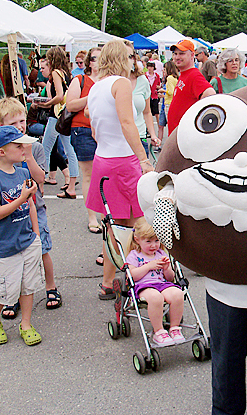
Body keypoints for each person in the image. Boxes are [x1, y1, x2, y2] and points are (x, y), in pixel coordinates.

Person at [85, 39, 154, 300]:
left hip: (104, 158)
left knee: (114, 225)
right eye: (129, 56)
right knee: (133, 223)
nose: (132, 60)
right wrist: (143, 158)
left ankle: (108, 282)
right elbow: (127, 122)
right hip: (123, 161)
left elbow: (94, 128)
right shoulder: (121, 83)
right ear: (120, 59)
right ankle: (134, 276)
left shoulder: (95, 87)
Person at [0, 96, 63, 314]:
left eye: (22, 121)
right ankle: (13, 295)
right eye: (13, 123)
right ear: (1, 126)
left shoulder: (33, 147)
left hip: (33, 208)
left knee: (42, 248)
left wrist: (27, 155)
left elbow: (40, 178)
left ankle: (50, 286)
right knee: (15, 255)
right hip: (10, 212)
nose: (19, 127)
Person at [0, 125, 43, 346]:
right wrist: (21, 198)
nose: (23, 149)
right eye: (18, 146)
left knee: (28, 285)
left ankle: (26, 323)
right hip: (5, 244)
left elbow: (31, 205)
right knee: (3, 288)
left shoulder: (23, 173)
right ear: (1, 152)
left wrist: (36, 235)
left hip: (27, 240)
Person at [122, 218, 185, 346]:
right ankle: (159, 331)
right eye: (149, 241)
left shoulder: (161, 253)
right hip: (143, 286)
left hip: (162, 284)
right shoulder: (134, 255)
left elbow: (170, 278)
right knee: (156, 297)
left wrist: (167, 269)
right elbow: (132, 276)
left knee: (178, 293)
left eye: (156, 240)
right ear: (137, 239)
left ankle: (174, 328)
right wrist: (148, 266)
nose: (153, 245)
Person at [34, 46, 79, 199]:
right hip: (65, 114)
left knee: (45, 148)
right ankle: (72, 182)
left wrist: (46, 104)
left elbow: (59, 95)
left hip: (56, 114)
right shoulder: (67, 73)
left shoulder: (55, 73)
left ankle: (41, 182)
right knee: (68, 149)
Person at [66, 47, 102, 234]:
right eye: (94, 58)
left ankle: (107, 215)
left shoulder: (108, 81)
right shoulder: (79, 80)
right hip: (83, 129)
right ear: (89, 61)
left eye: (101, 58)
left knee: (106, 173)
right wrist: (92, 95)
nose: (97, 62)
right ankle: (92, 217)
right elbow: (70, 105)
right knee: (88, 175)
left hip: (105, 131)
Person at [166, 39, 215, 135]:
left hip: (185, 136)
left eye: (181, 53)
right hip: (178, 135)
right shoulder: (185, 74)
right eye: (175, 54)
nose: (177, 57)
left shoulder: (194, 75)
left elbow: (210, 95)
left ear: (192, 55)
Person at [129, 46, 161, 159]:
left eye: (130, 56)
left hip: (140, 136)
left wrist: (153, 135)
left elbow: (147, 112)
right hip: (118, 140)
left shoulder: (142, 80)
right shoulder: (111, 81)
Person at [158, 61, 179, 144]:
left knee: (169, 124)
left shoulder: (169, 78)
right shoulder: (175, 78)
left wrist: (163, 91)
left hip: (168, 103)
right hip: (172, 102)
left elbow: (171, 91)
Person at [145, 60, 162, 152]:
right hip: (148, 95)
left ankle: (159, 126)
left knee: (156, 113)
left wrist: (158, 87)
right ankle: (147, 128)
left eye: (151, 66)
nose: (150, 68)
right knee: (147, 112)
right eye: (149, 66)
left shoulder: (157, 76)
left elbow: (159, 84)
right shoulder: (145, 75)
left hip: (154, 96)